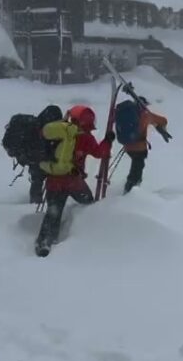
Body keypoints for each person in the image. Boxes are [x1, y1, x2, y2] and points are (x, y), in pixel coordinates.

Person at [34, 105, 114, 254]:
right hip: (73, 181)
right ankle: (81, 229)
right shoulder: (86, 138)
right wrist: (108, 141)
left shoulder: (59, 133)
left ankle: (45, 242)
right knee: (88, 203)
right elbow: (100, 153)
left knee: (53, 212)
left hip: (53, 179)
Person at [122, 97, 169, 194]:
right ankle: (130, 191)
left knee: (136, 166)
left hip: (128, 145)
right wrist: (161, 126)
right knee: (137, 169)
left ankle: (131, 188)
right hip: (139, 147)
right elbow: (163, 120)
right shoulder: (145, 114)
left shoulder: (128, 113)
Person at [27, 104, 64, 205]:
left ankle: (36, 202)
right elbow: (40, 147)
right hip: (39, 159)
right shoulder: (41, 129)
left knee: (37, 180)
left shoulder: (40, 125)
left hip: (37, 159)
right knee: (39, 179)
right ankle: (40, 203)